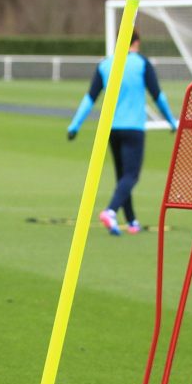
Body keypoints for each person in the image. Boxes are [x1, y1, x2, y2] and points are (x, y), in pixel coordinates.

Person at [67, 29, 177, 235]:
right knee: (131, 175)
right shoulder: (142, 63)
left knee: (122, 177)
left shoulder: (106, 64)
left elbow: (89, 98)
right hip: (133, 128)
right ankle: (111, 211)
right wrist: (171, 121)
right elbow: (158, 96)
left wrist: (74, 126)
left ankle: (132, 221)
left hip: (111, 129)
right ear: (137, 42)